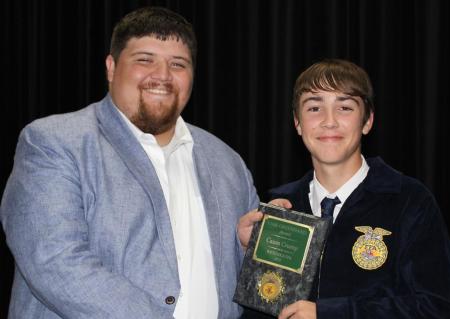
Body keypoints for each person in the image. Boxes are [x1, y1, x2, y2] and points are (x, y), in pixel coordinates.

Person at [0, 7, 258, 319]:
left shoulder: (228, 163)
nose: (162, 75)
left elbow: (246, 286)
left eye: (178, 64)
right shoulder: (53, 143)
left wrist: (252, 254)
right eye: (145, 59)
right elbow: (55, 261)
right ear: (111, 67)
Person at [238, 59, 450, 318]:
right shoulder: (282, 206)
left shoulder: (408, 201)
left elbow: (445, 309)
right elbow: (261, 307)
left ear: (367, 121)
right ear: (297, 123)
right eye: (314, 108)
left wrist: (331, 314)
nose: (329, 121)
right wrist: (249, 254)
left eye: (345, 107)